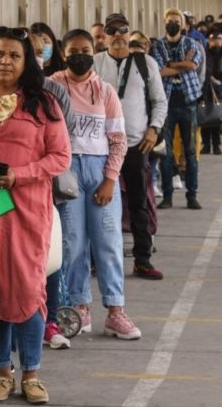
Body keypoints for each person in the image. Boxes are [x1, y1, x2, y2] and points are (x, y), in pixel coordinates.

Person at [0, 26, 71, 404]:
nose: (5, 61)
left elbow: (60, 157)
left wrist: (19, 175)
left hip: (26, 213)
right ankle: (2, 372)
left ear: (26, 63)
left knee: (27, 292)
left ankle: (33, 374)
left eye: (14, 55)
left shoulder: (44, 104)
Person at [51, 28, 142, 340]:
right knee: (72, 243)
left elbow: (118, 141)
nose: (80, 55)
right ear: (63, 54)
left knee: (108, 242)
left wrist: (109, 180)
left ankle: (115, 310)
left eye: (86, 50)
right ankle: (79, 306)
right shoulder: (53, 87)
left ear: (94, 52)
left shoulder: (105, 91)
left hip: (100, 171)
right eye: (73, 50)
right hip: (66, 173)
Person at [93, 12, 168, 280]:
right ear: (105, 36)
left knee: (138, 204)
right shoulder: (95, 63)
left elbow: (160, 101)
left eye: (122, 30)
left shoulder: (146, 63)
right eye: (111, 30)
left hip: (135, 144)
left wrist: (154, 128)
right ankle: (95, 259)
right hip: (100, 147)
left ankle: (142, 259)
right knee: (99, 203)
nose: (117, 35)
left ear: (129, 33)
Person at [27, 30, 76, 350]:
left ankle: (49, 321)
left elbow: (63, 139)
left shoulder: (54, 93)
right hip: (4, 194)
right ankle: (9, 323)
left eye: (37, 50)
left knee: (50, 260)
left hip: (46, 192)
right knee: (7, 263)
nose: (34, 56)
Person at [152, 8, 204, 211]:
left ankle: (192, 195)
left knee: (190, 151)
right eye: (169, 20)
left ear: (182, 25)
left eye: (176, 21)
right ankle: (167, 195)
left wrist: (171, 64)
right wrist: (182, 64)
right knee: (165, 152)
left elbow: (193, 65)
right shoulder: (158, 45)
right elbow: (159, 71)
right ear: (164, 22)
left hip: (188, 102)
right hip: (166, 105)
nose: (172, 24)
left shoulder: (192, 43)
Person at [201, 31, 222, 155]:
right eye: (214, 39)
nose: (217, 42)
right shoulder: (204, 53)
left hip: (219, 88)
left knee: (216, 116)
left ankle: (216, 145)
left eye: (219, 39)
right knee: (205, 116)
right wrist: (208, 77)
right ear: (209, 41)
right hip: (205, 88)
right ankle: (206, 144)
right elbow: (199, 70)